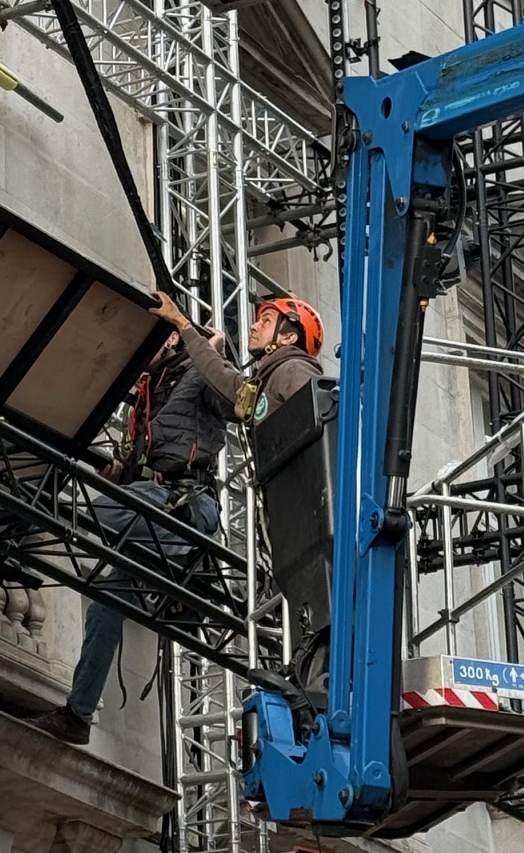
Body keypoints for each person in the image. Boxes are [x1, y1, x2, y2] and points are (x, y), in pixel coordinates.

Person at [31, 291, 325, 745]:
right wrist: (118, 468)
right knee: (108, 602)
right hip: (150, 503)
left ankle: (20, 521)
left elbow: (238, 398)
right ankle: (78, 714)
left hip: (181, 506)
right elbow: (141, 465)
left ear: (170, 340)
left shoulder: (201, 372)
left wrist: (202, 343)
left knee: (62, 506)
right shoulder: (147, 394)